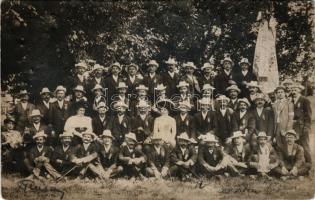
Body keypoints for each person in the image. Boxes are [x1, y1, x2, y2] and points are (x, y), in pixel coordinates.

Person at [290, 83, 312, 164]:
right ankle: (298, 164)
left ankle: (308, 164)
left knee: (304, 146)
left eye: (295, 89)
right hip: (293, 127)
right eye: (292, 90)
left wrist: (306, 127)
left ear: (299, 90)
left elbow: (308, 115)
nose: (293, 91)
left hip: (302, 127)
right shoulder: (291, 100)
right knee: (296, 146)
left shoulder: (304, 100)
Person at [272, 86, 294, 150]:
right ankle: (280, 158)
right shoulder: (274, 104)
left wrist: (288, 129)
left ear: (285, 93)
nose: (280, 93)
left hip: (285, 126)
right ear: (276, 94)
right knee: (278, 144)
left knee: (286, 144)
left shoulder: (289, 103)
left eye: (282, 92)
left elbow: (291, 118)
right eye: (278, 92)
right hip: (277, 126)